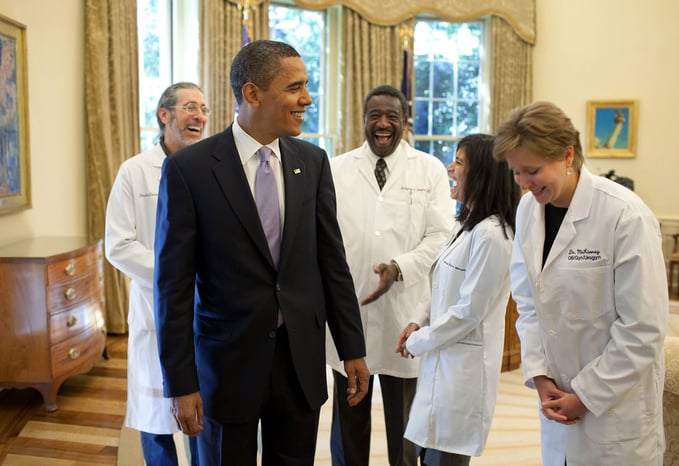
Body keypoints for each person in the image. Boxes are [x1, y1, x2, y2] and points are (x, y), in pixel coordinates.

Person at [153, 40, 370, 466]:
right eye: (294, 88)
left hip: (299, 364)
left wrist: (352, 348)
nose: (306, 98)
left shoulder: (313, 162)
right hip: (225, 367)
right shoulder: (189, 171)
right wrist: (181, 383)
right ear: (252, 94)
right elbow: (172, 289)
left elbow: (332, 263)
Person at [492, 101, 668, 466]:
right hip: (556, 400)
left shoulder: (625, 215)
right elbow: (527, 303)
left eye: (532, 170)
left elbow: (643, 328)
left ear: (567, 155)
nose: (524, 184)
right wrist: (540, 376)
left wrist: (586, 395)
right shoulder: (528, 210)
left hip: (616, 412)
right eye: (515, 173)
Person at [327, 84, 453, 466]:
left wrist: (400, 267)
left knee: (406, 428)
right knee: (349, 423)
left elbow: (441, 236)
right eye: (374, 116)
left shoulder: (428, 169)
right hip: (352, 315)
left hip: (405, 314)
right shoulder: (335, 168)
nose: (383, 124)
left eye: (391, 117)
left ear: (404, 123)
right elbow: (324, 237)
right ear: (363, 121)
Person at [397, 134, 520, 466]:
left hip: (463, 375)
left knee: (445, 457)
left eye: (459, 163)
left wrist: (420, 340)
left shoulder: (493, 236)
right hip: (441, 361)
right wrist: (417, 321)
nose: (450, 168)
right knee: (427, 451)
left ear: (481, 174)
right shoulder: (464, 225)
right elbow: (437, 283)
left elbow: (469, 311)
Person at [105, 82, 208, 465]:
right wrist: (175, 273)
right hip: (155, 310)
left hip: (206, 311)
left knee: (203, 415)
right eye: (189, 107)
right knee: (155, 420)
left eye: (203, 108)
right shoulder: (134, 172)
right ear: (165, 115)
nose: (199, 115)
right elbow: (118, 245)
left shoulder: (212, 169)